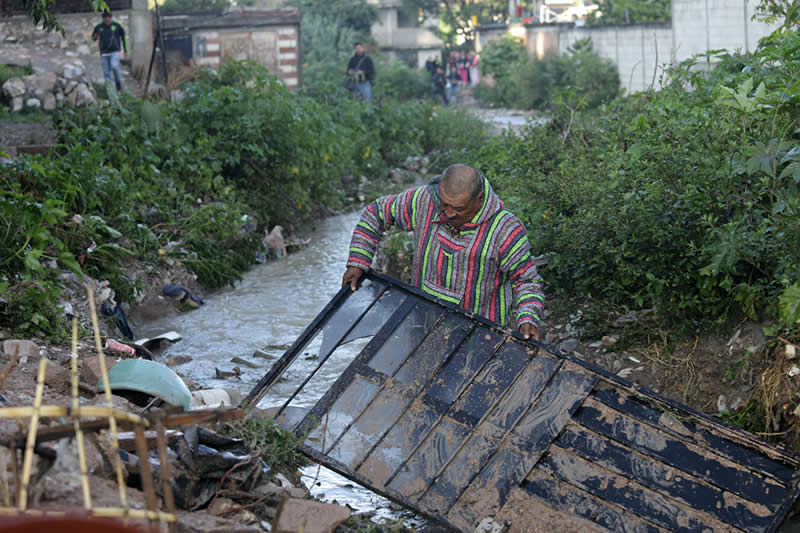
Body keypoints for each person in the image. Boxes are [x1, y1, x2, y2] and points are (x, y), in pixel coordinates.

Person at [342, 164, 544, 341]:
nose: (448, 213)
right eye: (444, 204)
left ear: (479, 199)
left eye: (458, 208)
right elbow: (376, 213)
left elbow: (527, 281)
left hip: (482, 339)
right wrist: (358, 261)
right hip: (422, 328)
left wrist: (527, 317)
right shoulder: (425, 200)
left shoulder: (506, 230)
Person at [92, 10, 127, 91]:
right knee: (106, 73)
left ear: (111, 18)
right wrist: (95, 37)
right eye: (105, 18)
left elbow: (124, 37)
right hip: (104, 53)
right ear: (103, 19)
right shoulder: (98, 27)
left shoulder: (117, 26)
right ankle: (110, 90)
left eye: (108, 18)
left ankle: (118, 85)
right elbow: (93, 38)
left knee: (114, 66)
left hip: (115, 52)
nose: (107, 20)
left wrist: (125, 50)